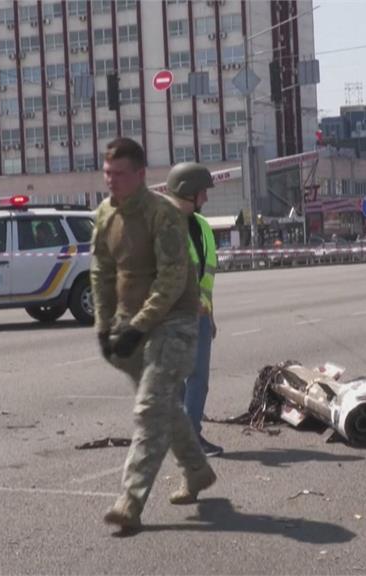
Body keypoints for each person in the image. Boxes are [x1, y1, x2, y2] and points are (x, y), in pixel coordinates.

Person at [91, 138, 214, 531]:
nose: (112, 181)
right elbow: (102, 273)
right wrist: (104, 324)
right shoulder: (105, 215)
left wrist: (139, 325)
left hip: (174, 323)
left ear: (141, 175)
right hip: (131, 326)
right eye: (108, 173)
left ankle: (129, 503)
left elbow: (173, 279)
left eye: (121, 174)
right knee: (163, 405)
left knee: (148, 409)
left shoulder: (163, 216)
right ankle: (196, 470)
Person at [165, 162, 223, 457]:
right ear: (187, 192)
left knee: (194, 380)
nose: (206, 199)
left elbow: (206, 276)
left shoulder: (201, 227)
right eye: (202, 192)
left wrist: (210, 316)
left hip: (199, 317)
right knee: (185, 380)